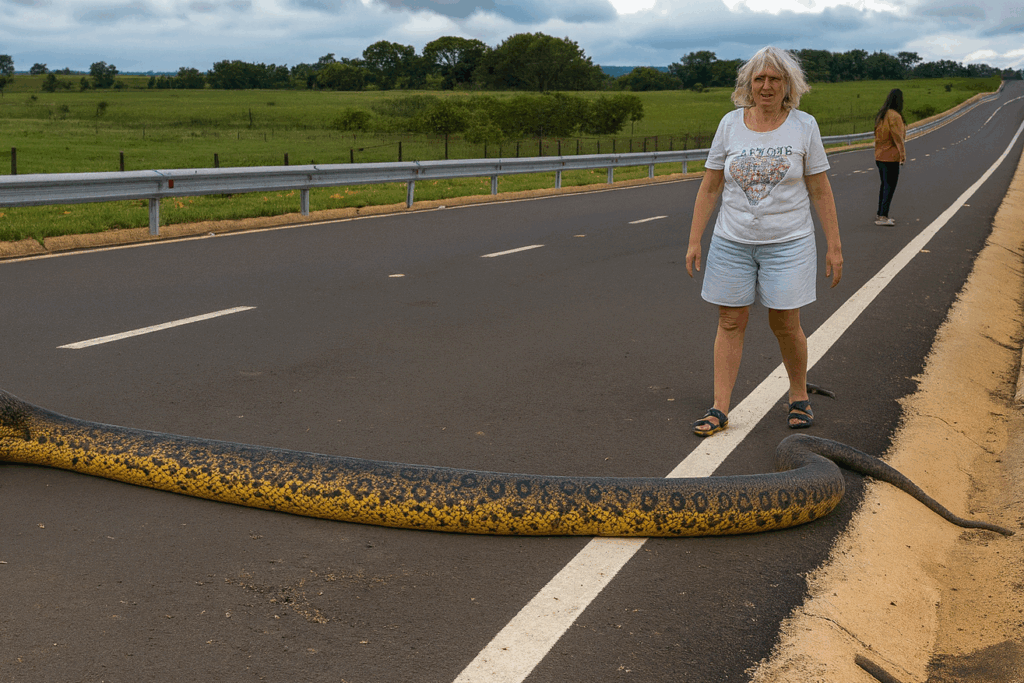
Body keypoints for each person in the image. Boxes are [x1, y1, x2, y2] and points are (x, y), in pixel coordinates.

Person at [685, 46, 843, 437]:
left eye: (775, 79)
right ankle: (720, 408)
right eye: (759, 79)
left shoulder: (803, 126)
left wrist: (834, 246)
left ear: (789, 85)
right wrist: (694, 240)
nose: (766, 86)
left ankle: (799, 396)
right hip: (732, 240)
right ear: (748, 85)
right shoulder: (730, 125)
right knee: (730, 319)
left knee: (786, 322)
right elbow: (710, 186)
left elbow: (820, 190)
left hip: (789, 241)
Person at [874, 88, 906, 226]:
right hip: (890, 156)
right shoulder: (895, 116)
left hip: (879, 155)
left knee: (884, 185)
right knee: (890, 186)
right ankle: (883, 216)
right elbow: (898, 137)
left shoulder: (882, 115)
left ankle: (881, 213)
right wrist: (902, 155)